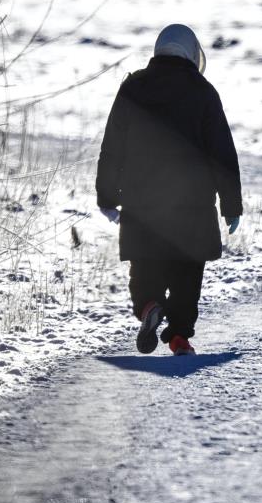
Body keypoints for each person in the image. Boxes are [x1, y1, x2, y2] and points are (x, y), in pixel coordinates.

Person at [97, 24, 243, 356]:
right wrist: (231, 204)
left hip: (142, 206)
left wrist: (107, 195)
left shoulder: (133, 88)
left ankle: (149, 308)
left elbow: (112, 147)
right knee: (186, 277)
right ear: (191, 53)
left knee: (144, 272)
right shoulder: (204, 92)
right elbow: (222, 152)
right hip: (192, 209)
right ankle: (179, 336)